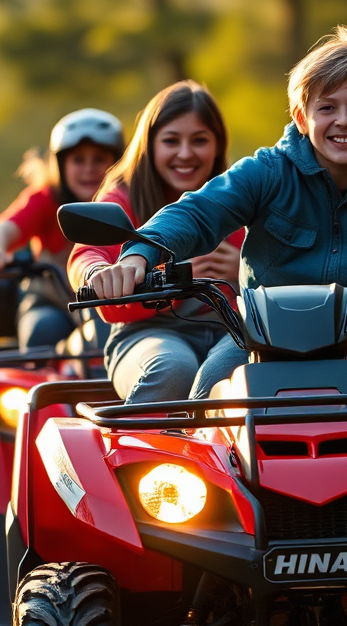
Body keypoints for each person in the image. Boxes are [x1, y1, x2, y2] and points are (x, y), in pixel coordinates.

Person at [87, 26, 347, 396]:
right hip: (262, 338)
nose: (344, 121)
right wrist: (140, 255)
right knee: (210, 390)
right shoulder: (266, 171)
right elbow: (197, 212)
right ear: (301, 117)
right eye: (327, 108)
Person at [68, 82, 243, 403]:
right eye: (171, 141)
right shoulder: (125, 196)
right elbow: (88, 253)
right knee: (172, 368)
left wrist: (243, 269)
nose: (185, 153)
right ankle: (140, 452)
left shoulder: (238, 194)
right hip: (150, 333)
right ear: (149, 144)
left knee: (246, 371)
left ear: (218, 146)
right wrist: (98, 274)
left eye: (200, 140)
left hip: (230, 329)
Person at [0, 108, 125, 349]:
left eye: (99, 159)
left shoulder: (128, 201)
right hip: (51, 302)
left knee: (116, 338)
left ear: (118, 163)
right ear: (59, 165)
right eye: (78, 160)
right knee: (41, 330)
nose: (89, 168)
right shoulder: (46, 199)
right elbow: (2, 229)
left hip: (114, 304)